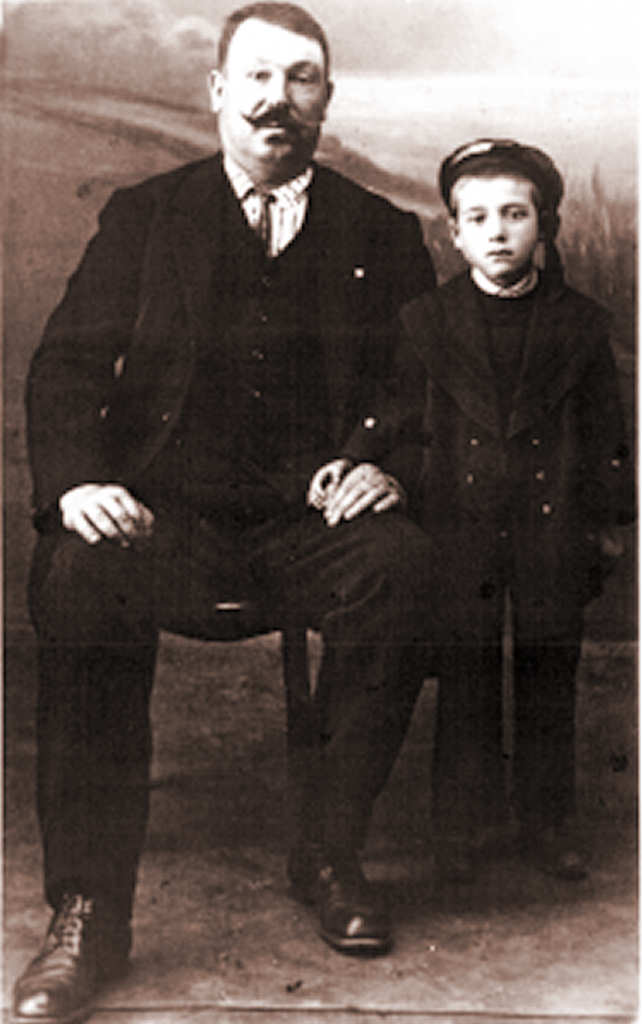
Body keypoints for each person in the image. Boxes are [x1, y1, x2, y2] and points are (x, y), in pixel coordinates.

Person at [13, 3, 440, 1021]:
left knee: (403, 567)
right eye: (255, 76)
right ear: (216, 91)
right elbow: (68, 364)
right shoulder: (145, 216)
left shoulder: (381, 231)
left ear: (325, 99)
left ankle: (331, 853)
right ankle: (86, 909)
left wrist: (384, 467)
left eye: (300, 78)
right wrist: (78, 483)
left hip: (311, 524)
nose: (275, 99)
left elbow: (418, 387)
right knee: (76, 572)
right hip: (166, 521)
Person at [400, 139, 634, 885]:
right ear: (453, 233)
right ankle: (462, 824)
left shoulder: (580, 323)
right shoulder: (426, 322)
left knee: (548, 663)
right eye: (477, 218)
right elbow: (405, 423)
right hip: (459, 519)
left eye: (514, 214)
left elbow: (606, 430)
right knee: (466, 664)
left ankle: (547, 819)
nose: (497, 232)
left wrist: (607, 522)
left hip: (550, 517)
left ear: (545, 224)